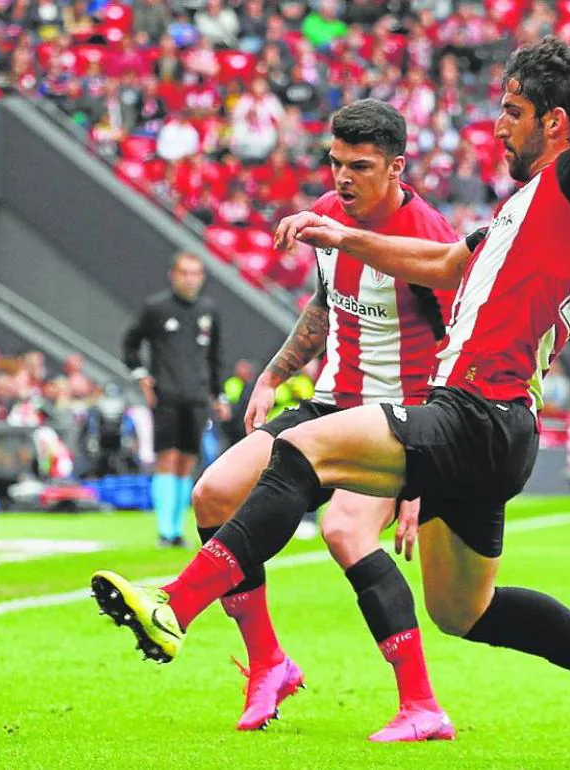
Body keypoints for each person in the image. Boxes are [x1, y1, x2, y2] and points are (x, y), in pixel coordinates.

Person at [92, 8, 570, 761]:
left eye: (512, 114)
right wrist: (346, 237)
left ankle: (176, 605)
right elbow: (449, 265)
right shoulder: (527, 209)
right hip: (498, 425)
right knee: (465, 611)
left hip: (476, 411)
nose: (496, 129)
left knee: (305, 450)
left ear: (558, 124)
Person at [186, 99, 460, 737]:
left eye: (359, 167)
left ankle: (421, 704)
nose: (342, 178)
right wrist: (277, 373)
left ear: (397, 167)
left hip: (399, 418)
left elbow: (459, 349)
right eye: (335, 163)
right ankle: (268, 665)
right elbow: (324, 303)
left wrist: (426, 470)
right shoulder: (327, 218)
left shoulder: (428, 236)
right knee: (214, 495)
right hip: (330, 403)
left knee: (344, 530)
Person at [122, 252, 227, 547]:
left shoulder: (208, 311)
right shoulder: (156, 308)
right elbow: (130, 343)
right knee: (167, 456)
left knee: (187, 460)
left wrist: (217, 394)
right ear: (173, 275)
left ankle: (178, 528)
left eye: (196, 273)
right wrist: (141, 374)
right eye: (185, 273)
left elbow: (216, 356)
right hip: (166, 395)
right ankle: (164, 529)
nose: (190, 279)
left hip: (196, 396)